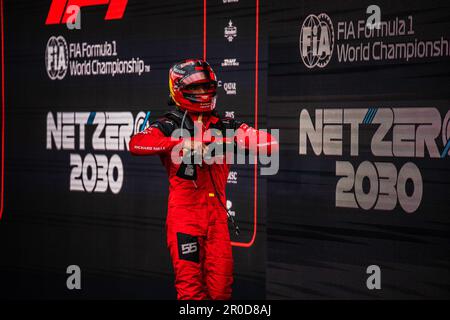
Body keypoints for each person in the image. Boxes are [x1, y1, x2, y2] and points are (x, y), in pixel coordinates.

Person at [129, 59, 277, 300]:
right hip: (185, 219)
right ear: (180, 90)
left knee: (221, 292)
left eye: (206, 87)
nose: (203, 92)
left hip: (217, 220)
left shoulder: (225, 125)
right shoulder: (168, 124)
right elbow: (136, 143)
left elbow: (271, 144)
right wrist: (181, 143)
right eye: (196, 88)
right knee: (190, 293)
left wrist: (230, 141)